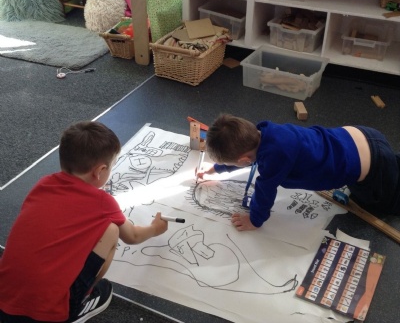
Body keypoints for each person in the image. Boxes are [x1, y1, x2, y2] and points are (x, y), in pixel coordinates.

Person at [0, 121, 168, 323]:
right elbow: (132, 236)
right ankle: (80, 304)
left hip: (4, 299)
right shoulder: (103, 202)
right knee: (112, 230)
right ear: (100, 171)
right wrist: (155, 228)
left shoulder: (43, 184)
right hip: (50, 314)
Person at [196, 114, 400, 232]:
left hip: (375, 166)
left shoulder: (274, 159)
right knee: (391, 165)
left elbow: (264, 191)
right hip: (362, 135)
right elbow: (249, 157)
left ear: (243, 160)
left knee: (383, 203)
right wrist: (217, 169)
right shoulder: (264, 133)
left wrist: (254, 220)